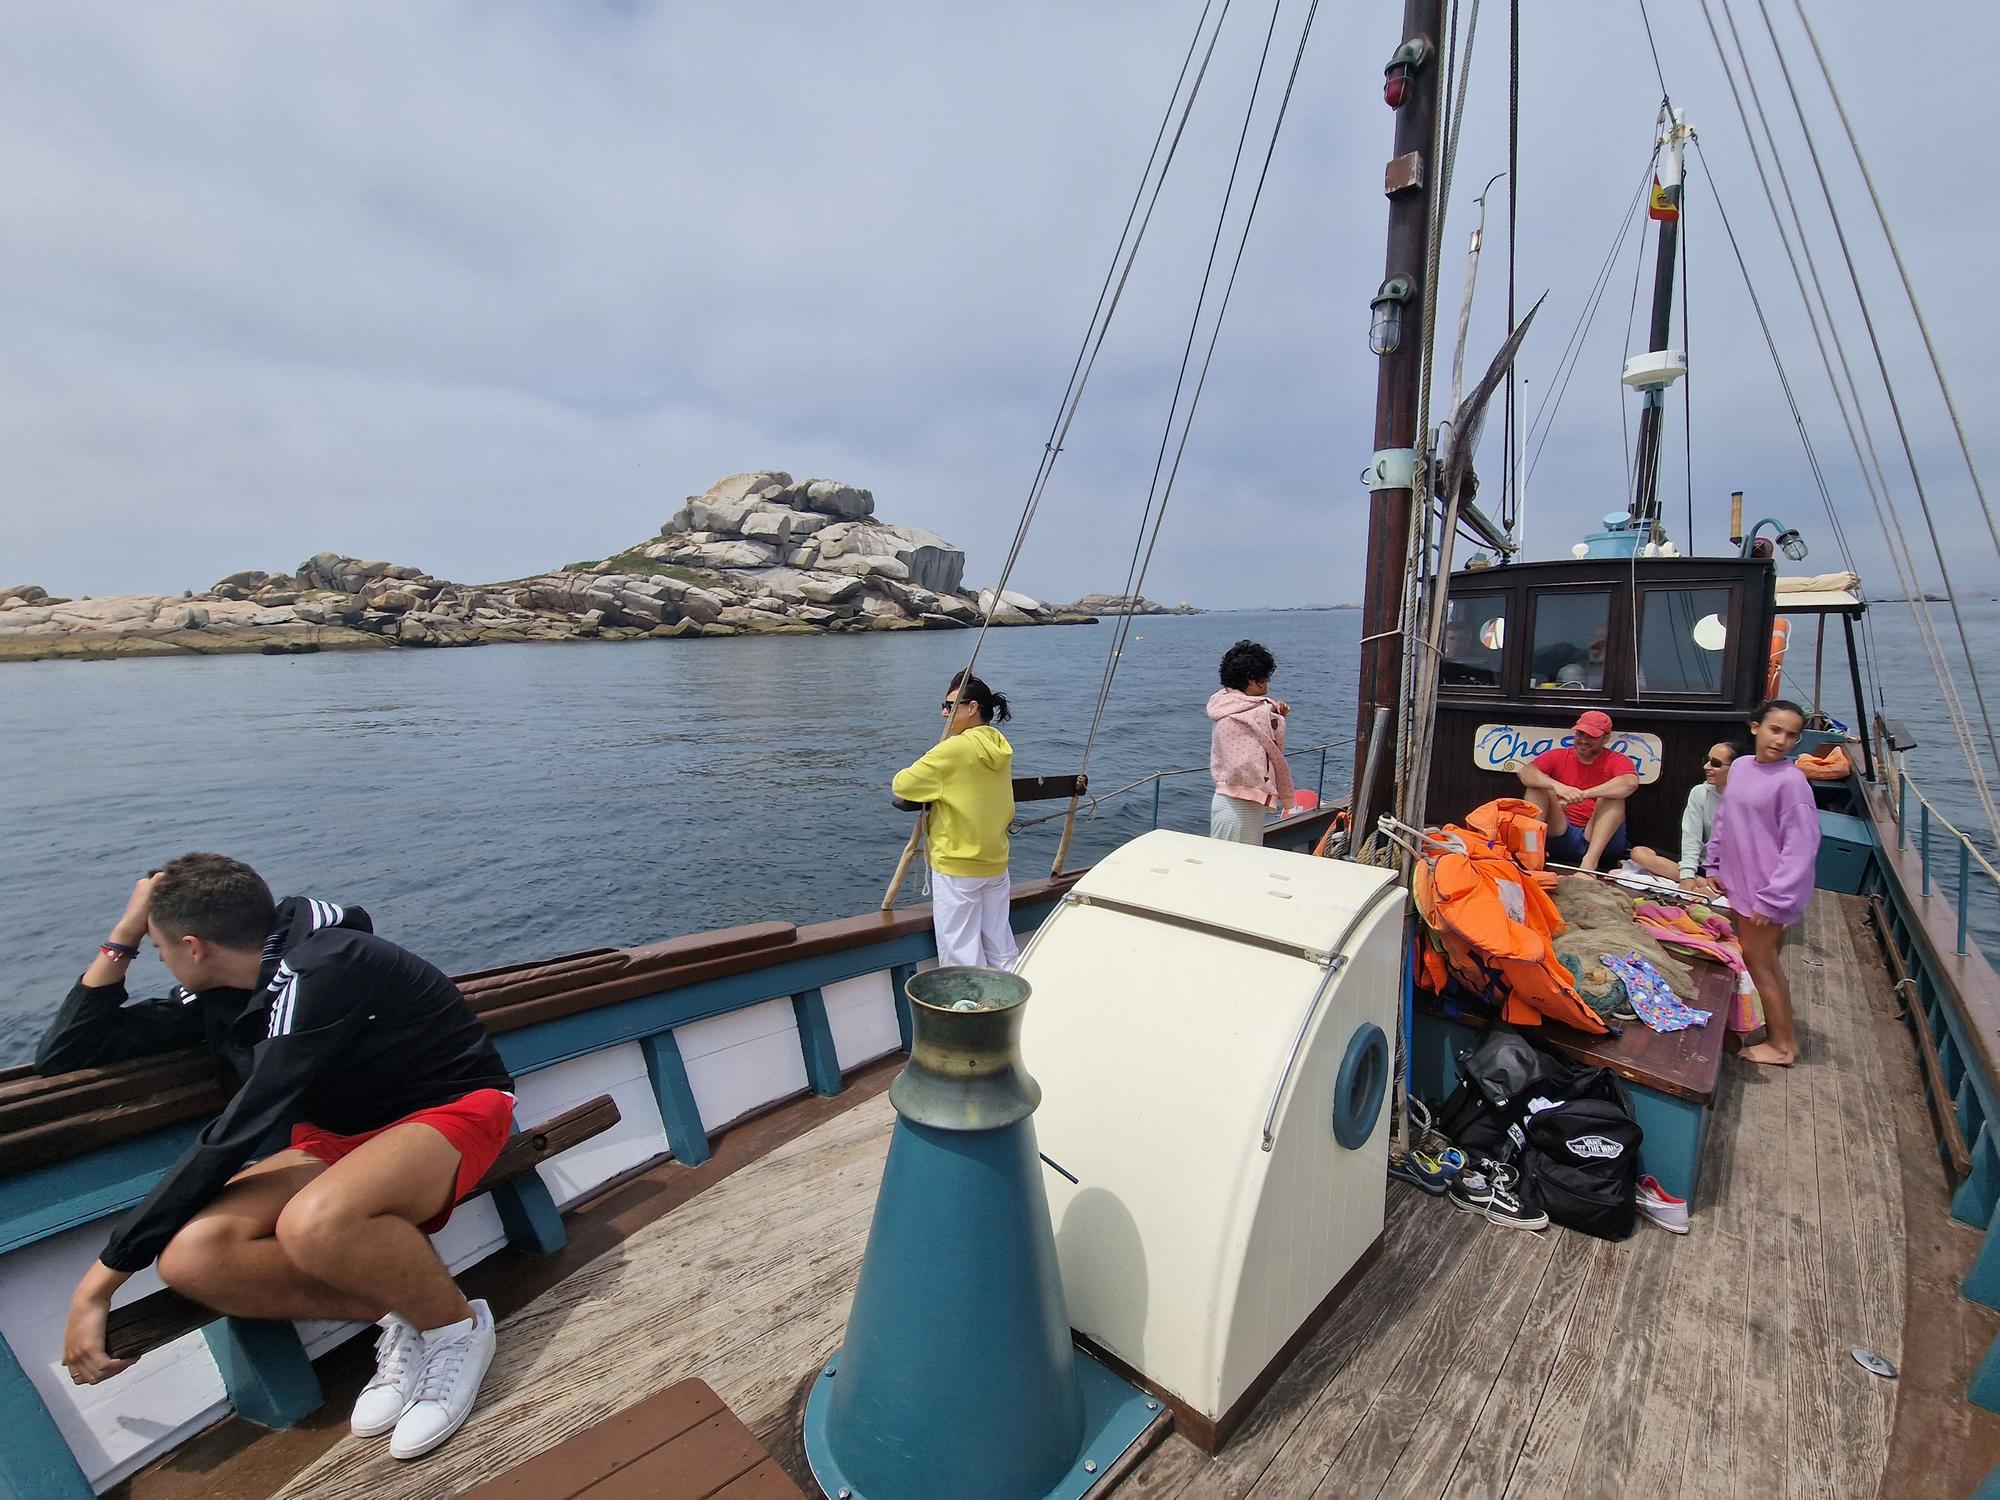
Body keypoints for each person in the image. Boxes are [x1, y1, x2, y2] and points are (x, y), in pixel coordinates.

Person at [41, 855, 515, 1461]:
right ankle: (407, 1316)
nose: (157, 959)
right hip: (344, 1137)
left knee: (314, 1221)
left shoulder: (329, 966)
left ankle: (454, 1327)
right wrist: (126, 933)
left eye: (157, 946)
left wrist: (101, 1280)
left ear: (195, 946)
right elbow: (68, 1050)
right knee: (193, 1257)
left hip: (454, 1111)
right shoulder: (223, 990)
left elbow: (241, 1127)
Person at [1705, 700, 1822, 1065]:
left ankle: (1782, 1046)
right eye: (1775, 730)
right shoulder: (1740, 767)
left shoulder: (1792, 783)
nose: (1781, 740)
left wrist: (1772, 900)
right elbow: (1726, 818)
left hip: (1767, 893)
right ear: (1756, 727)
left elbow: (1801, 848)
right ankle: (1778, 1036)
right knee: (1762, 960)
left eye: (1791, 735)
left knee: (1761, 962)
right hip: (1741, 886)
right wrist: (1714, 864)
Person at [892, 671, 1019, 969]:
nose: (943, 713)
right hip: (994, 861)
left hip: (958, 864)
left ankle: (975, 1013)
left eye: (949, 706)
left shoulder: (954, 748)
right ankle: (1016, 1005)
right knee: (1001, 947)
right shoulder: (999, 744)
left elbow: (903, 784)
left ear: (972, 708)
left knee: (961, 954)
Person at [1516, 709, 1639, 871]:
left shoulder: (1618, 760)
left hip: (1599, 841)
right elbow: (1525, 773)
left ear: (1606, 739)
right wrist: (1558, 787)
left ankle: (1589, 865)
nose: (1584, 740)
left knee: (1612, 798)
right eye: (1580, 734)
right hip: (1560, 833)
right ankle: (1530, 853)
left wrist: (1584, 794)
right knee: (1537, 788)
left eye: (1592, 736)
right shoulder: (1558, 755)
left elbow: (1629, 783)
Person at [1207, 639, 1296, 845]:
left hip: (1231, 800)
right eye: (1264, 678)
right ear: (1250, 679)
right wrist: (1273, 714)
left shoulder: (1225, 706)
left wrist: (1272, 712)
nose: (1267, 684)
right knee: (1236, 868)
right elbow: (1267, 740)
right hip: (1241, 807)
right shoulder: (1254, 712)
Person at [1630, 740, 1740, 886]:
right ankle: (1703, 883)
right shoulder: (1700, 792)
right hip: (1701, 863)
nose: (1706, 767)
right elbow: (1691, 836)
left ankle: (1714, 885)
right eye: (1706, 761)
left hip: (1731, 871)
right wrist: (1687, 875)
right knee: (1639, 853)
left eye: (1716, 763)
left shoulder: (1747, 800)